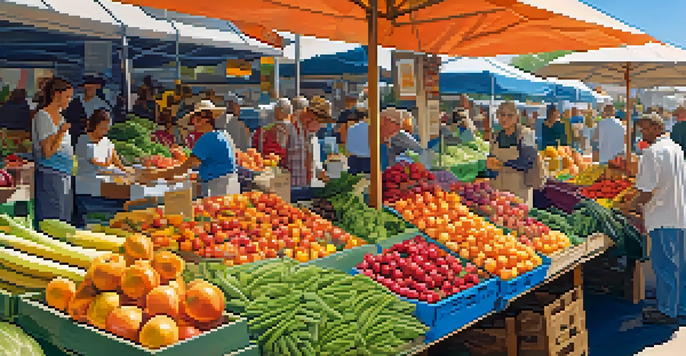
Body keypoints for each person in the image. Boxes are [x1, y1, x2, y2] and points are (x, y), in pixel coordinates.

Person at [621, 113, 686, 324]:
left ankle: (667, 312)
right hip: (678, 214)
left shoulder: (652, 153)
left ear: (658, 128)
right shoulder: (676, 148)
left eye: (646, 129)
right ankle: (680, 306)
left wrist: (630, 206)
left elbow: (646, 191)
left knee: (664, 265)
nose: (643, 133)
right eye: (641, 129)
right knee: (678, 266)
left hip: (661, 215)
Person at [142, 100, 238, 197]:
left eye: (195, 120)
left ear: (205, 119)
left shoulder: (207, 138)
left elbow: (184, 167)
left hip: (218, 189)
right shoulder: (219, 135)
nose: (193, 124)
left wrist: (156, 175)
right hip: (226, 187)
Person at [74, 109, 129, 227]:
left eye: (107, 127)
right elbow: (95, 161)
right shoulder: (83, 140)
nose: (105, 131)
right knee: (88, 222)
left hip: (106, 187)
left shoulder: (106, 141)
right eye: (102, 127)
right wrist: (108, 165)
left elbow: (114, 157)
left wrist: (125, 170)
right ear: (95, 125)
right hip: (87, 188)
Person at [32, 77, 75, 228]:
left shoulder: (61, 117)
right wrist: (61, 133)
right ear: (56, 94)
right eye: (67, 96)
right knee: (53, 220)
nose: (69, 101)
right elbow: (48, 152)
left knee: (63, 219)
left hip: (64, 174)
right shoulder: (43, 117)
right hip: (51, 174)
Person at [486, 102, 542, 207]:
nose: (505, 118)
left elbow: (528, 161)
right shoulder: (495, 136)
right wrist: (488, 166)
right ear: (497, 116)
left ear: (517, 117)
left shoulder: (525, 134)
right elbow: (491, 159)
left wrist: (503, 164)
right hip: (498, 190)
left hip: (519, 189)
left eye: (509, 115)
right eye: (502, 114)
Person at [346, 107, 423, 174]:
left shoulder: (388, 139)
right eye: (396, 123)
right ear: (382, 120)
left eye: (400, 125)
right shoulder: (360, 132)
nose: (398, 128)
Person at [62, 75, 109, 146]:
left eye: (92, 85)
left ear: (98, 87)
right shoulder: (74, 102)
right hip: (72, 139)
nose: (89, 88)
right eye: (87, 85)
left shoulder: (102, 105)